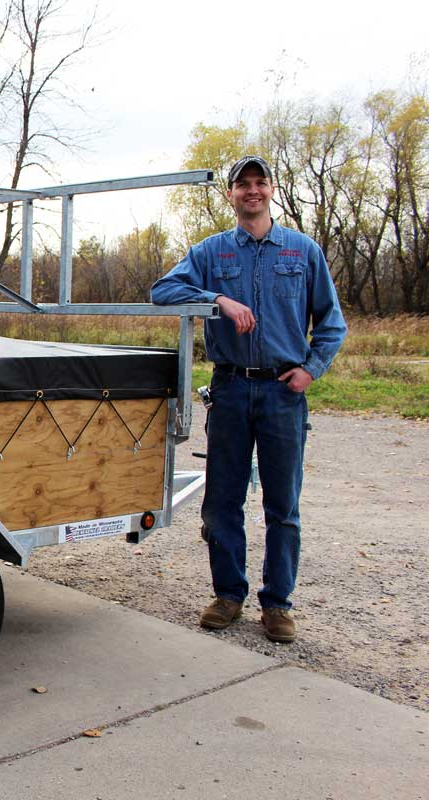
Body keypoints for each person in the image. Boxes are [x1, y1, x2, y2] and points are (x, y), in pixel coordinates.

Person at [151, 155, 346, 644]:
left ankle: (278, 604)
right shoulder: (213, 253)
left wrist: (310, 370)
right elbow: (161, 289)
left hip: (283, 393)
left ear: (272, 190)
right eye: (243, 184)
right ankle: (228, 596)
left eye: (260, 183)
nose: (252, 191)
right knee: (221, 503)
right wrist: (217, 299)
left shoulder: (302, 252)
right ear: (232, 194)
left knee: (283, 505)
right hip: (232, 388)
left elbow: (332, 322)